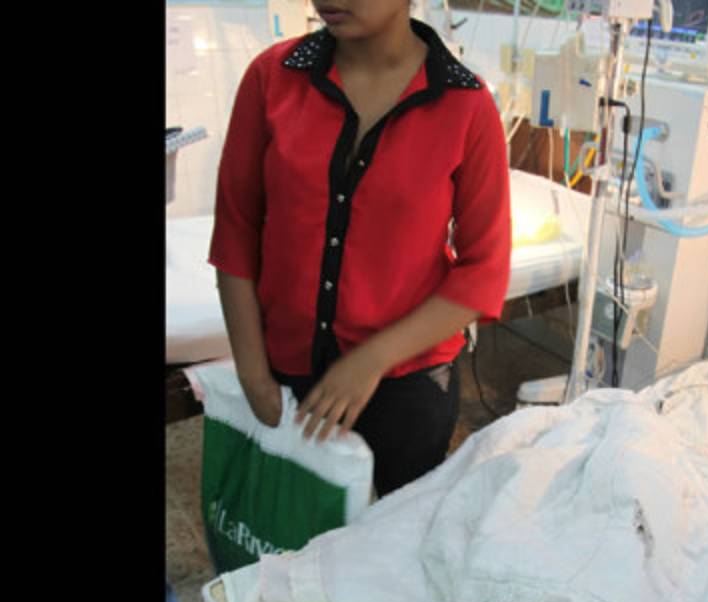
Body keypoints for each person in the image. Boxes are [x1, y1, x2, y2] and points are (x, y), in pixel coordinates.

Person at [209, 0, 511, 497]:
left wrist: (371, 360)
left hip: (408, 387)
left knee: (392, 536)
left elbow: (484, 271)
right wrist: (253, 373)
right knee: (290, 529)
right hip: (284, 376)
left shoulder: (465, 105)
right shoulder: (273, 78)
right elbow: (235, 230)